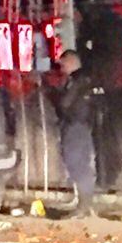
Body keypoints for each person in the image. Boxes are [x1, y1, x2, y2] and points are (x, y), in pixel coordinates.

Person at [50, 50, 97, 214]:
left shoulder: (78, 80)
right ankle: (84, 204)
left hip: (76, 126)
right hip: (81, 126)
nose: (61, 69)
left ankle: (84, 206)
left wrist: (52, 92)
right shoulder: (84, 79)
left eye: (63, 64)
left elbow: (65, 103)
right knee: (79, 163)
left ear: (70, 62)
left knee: (77, 163)